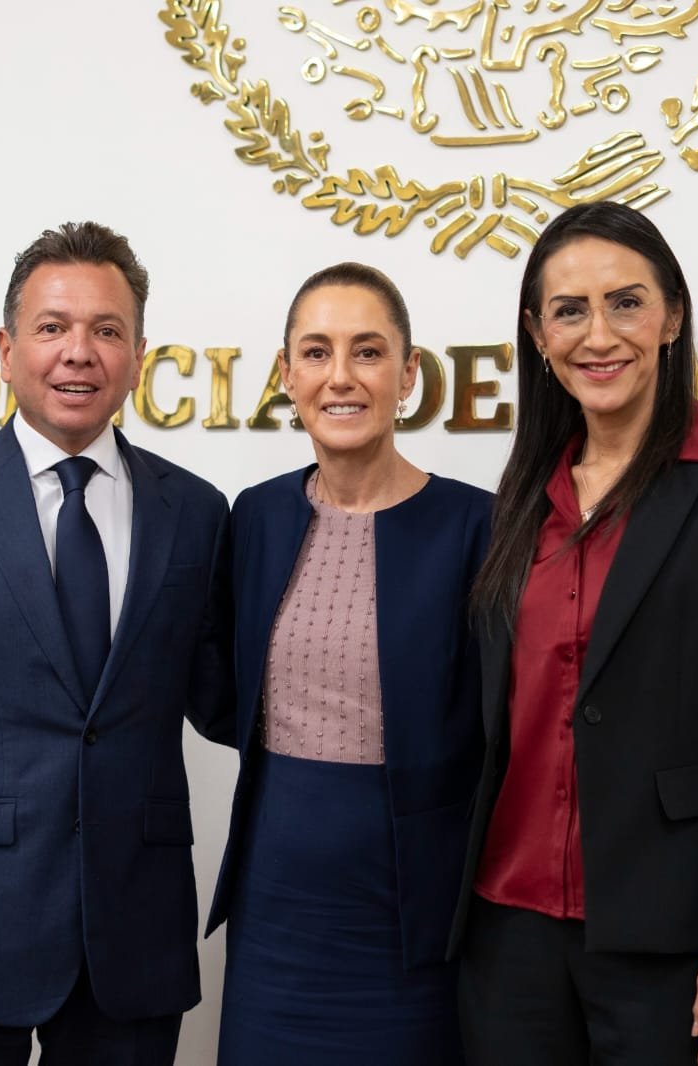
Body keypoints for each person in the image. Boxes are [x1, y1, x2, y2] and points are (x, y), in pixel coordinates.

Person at [0, 221, 234, 1066]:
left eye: (107, 330)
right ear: (6, 348)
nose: (78, 353)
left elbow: (225, 701)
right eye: (52, 327)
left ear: (138, 355)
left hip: (135, 935)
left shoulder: (198, 512)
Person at [453, 201, 698, 1066]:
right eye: (569, 311)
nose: (599, 334)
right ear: (538, 335)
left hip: (675, 937)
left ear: (672, 316)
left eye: (626, 302)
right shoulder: (519, 498)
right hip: (508, 933)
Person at [208, 262, 491, 1065]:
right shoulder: (256, 516)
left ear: (408, 374)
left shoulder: (478, 526)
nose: (341, 376)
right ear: (286, 373)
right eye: (316, 351)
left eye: (368, 352)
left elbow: (498, 727)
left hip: (411, 914)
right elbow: (224, 689)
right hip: (275, 907)